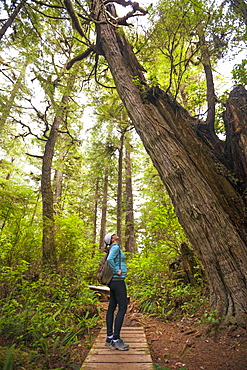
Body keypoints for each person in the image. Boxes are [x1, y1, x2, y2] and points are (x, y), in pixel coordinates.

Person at [104, 232, 129, 351]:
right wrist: (116, 270)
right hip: (118, 281)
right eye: (113, 234)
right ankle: (115, 339)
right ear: (112, 239)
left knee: (112, 307)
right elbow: (109, 259)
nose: (115, 234)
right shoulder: (115, 247)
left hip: (113, 282)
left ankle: (109, 338)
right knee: (123, 307)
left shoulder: (113, 247)